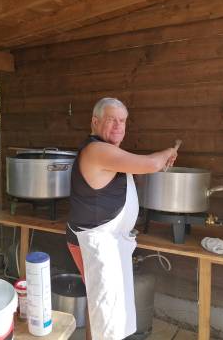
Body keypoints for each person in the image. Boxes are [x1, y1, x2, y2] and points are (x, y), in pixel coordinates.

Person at [66, 97, 178, 340]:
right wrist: (169, 151)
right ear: (95, 122)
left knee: (101, 305)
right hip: (94, 242)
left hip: (106, 241)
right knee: (105, 309)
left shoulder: (110, 150)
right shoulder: (97, 150)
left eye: (123, 121)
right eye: (111, 120)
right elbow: (150, 164)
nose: (118, 126)